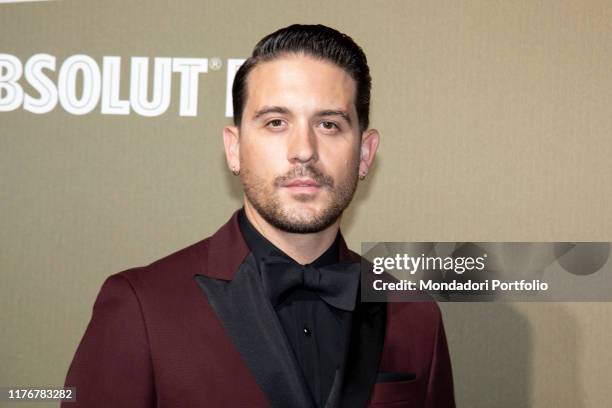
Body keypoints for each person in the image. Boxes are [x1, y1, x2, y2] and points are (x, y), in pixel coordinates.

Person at [63, 24, 455, 408]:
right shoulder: (142, 307)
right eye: (275, 123)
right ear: (234, 149)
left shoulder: (416, 316)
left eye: (329, 124)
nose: (303, 150)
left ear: (365, 154)